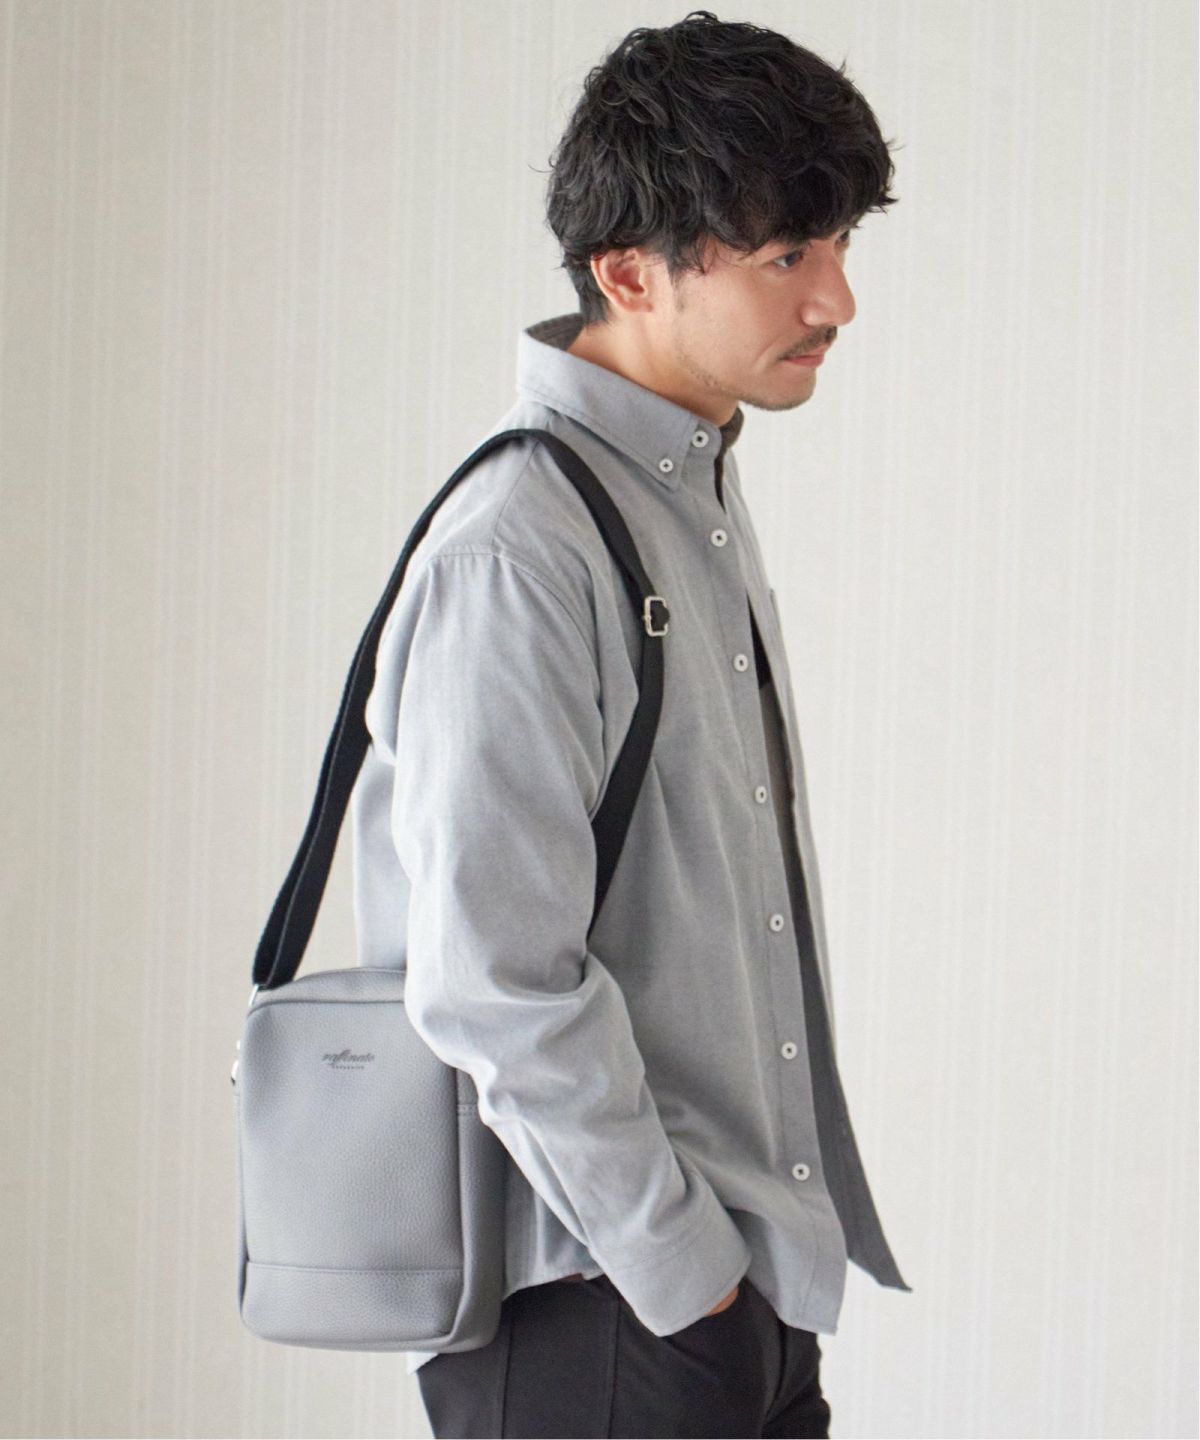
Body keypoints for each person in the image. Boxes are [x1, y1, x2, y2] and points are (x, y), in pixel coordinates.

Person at [350, 10, 911, 1436]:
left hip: (730, 1295)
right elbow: (494, 977)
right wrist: (684, 1278)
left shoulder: (686, 498)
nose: (838, 298)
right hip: (610, 1309)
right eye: (789, 254)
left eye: (841, 243)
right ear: (628, 272)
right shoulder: (521, 545)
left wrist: (740, 1293)